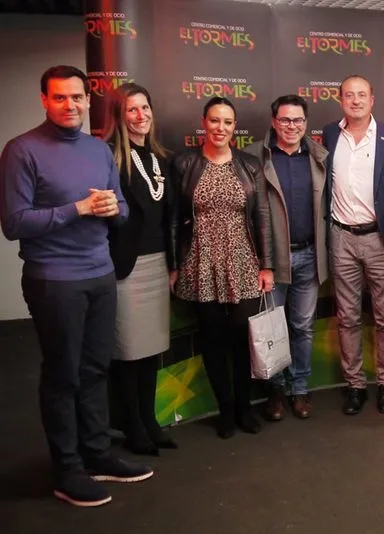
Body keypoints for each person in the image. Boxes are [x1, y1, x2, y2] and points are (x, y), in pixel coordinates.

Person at [0, 65, 151, 508]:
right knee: (63, 375)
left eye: (78, 98)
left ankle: (98, 453)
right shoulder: (22, 150)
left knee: (94, 370)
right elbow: (13, 223)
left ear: (89, 100)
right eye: (60, 98)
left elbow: (121, 210)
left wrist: (109, 207)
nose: (71, 105)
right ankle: (67, 470)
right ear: (44, 100)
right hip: (54, 279)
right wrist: (77, 208)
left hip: (100, 273)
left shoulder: (99, 149)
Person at [170, 97, 274, 440]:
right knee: (212, 340)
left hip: (243, 261)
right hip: (199, 261)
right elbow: (173, 220)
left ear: (235, 126)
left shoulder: (249, 165)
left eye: (227, 122)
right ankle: (226, 411)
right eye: (215, 121)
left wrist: (266, 265)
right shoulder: (185, 164)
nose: (221, 128)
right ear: (204, 122)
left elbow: (261, 217)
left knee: (242, 339)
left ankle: (245, 407)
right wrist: (174, 265)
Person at [322, 75, 384, 415]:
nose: (356, 100)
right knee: (346, 317)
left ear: (372, 99)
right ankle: (355, 385)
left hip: (379, 239)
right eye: (349, 95)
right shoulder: (330, 135)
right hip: (341, 237)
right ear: (339, 98)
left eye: (362, 95)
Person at [103, 83, 178, 455]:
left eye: (145, 108)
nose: (141, 115)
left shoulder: (161, 159)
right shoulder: (107, 158)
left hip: (157, 264)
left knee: (150, 351)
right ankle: (131, 425)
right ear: (119, 115)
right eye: (132, 109)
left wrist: (173, 264)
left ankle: (150, 420)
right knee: (128, 352)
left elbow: (169, 220)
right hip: (124, 268)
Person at [245, 95, 328, 422]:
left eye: (297, 121)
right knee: (272, 328)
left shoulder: (319, 156)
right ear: (273, 122)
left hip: (310, 254)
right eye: (285, 120)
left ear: (306, 123)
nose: (291, 126)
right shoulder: (254, 156)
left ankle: (300, 388)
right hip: (272, 260)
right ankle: (276, 390)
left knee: (303, 327)